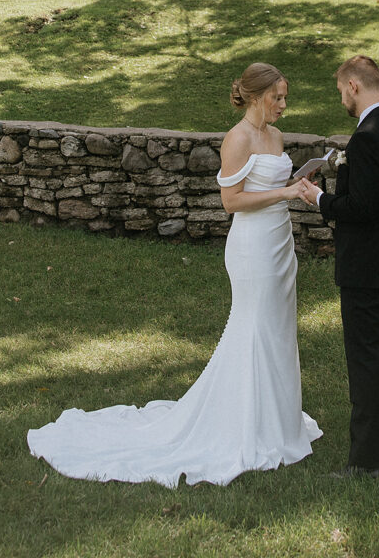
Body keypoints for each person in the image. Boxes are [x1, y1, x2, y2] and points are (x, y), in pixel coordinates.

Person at [27, 62, 321, 487]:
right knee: (253, 326)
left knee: (278, 328)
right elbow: (232, 202)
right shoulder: (237, 139)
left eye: (285, 97)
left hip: (280, 244)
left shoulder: (275, 137)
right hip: (253, 247)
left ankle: (278, 422)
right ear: (256, 96)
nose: (283, 105)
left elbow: (271, 188)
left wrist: (297, 185)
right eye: (277, 97)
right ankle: (244, 425)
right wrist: (286, 192)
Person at [300, 55, 379, 479]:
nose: (342, 100)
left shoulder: (367, 137)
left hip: (367, 267)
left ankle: (367, 462)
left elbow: (363, 208)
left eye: (340, 92)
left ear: (354, 85)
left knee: (366, 359)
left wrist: (318, 200)